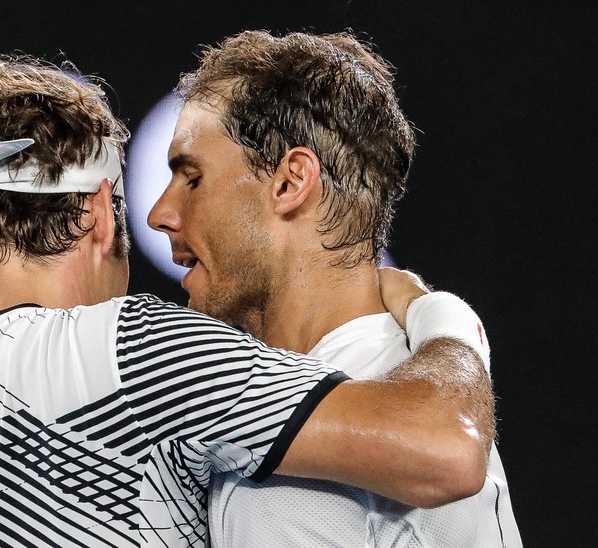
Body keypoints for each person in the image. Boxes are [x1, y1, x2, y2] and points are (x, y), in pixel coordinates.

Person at [0, 55, 489, 548]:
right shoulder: (139, 353)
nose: (161, 215)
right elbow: (443, 449)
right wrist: (437, 311)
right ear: (96, 216)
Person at [148, 30, 521, 546]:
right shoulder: (374, 390)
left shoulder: (386, 414)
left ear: (289, 182)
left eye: (192, 178)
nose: (158, 214)